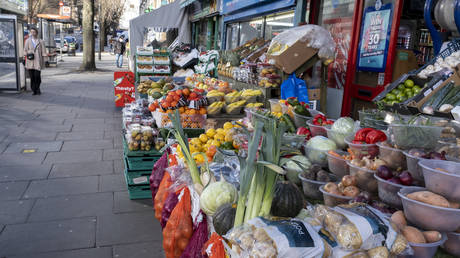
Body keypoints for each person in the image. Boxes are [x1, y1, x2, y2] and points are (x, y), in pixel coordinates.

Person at [23, 27, 47, 95]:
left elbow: (44, 51)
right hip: (30, 60)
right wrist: (27, 54)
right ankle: (34, 90)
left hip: (38, 61)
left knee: (37, 76)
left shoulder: (41, 41)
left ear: (36, 33)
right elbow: (25, 50)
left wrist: (45, 60)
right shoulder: (27, 40)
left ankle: (38, 88)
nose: (33, 33)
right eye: (31, 32)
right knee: (32, 77)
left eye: (34, 32)